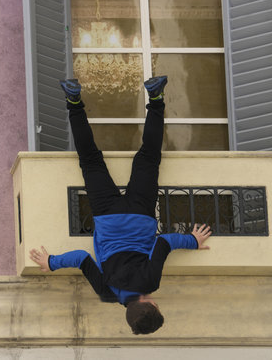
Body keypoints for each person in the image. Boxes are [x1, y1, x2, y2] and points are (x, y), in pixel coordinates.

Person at [29, 75, 212, 335]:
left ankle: (156, 98)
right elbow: (82, 258)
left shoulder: (151, 281)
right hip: (107, 215)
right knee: (90, 159)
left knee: (148, 158)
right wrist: (52, 261)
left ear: (150, 305)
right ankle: (73, 100)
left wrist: (192, 241)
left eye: (157, 307)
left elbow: (163, 243)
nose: (157, 302)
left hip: (140, 213)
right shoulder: (106, 291)